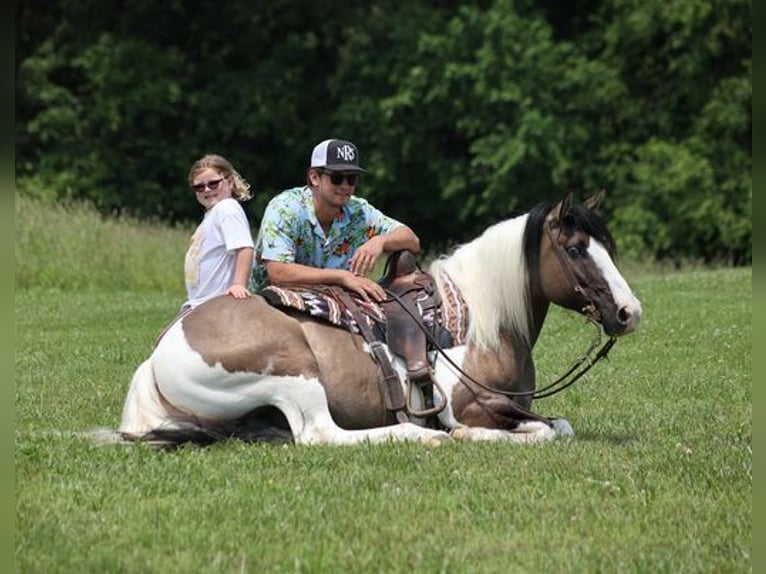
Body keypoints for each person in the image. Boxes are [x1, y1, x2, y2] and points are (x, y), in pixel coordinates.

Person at [251, 139, 420, 302]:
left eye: (352, 178)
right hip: (273, 306)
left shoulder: (359, 211)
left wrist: (381, 241)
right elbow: (279, 274)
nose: (345, 185)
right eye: (337, 177)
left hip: (331, 308)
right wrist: (341, 277)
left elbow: (412, 240)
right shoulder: (285, 209)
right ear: (314, 177)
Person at [182, 154, 255, 310]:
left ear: (229, 181)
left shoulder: (227, 208)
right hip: (202, 302)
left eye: (213, 184)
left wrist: (238, 284)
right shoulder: (213, 214)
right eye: (199, 187)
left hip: (216, 303)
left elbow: (245, 248)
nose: (207, 190)